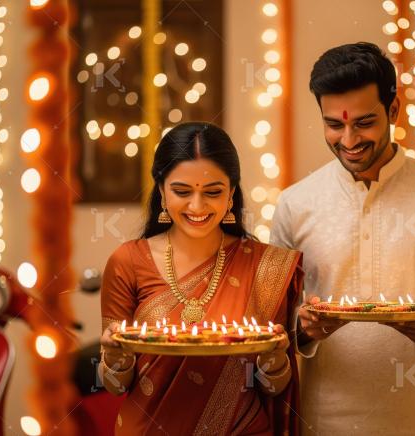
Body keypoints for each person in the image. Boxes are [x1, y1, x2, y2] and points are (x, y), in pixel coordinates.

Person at [270, 42, 415, 434]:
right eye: (334, 124)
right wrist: (302, 328)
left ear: (393, 110)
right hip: (326, 420)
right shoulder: (295, 204)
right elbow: (274, 315)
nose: (348, 140)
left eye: (363, 123)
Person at [99, 122, 302, 435]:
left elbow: (272, 388)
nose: (197, 206)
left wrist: (275, 361)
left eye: (213, 192)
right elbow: (115, 386)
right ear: (162, 192)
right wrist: (114, 360)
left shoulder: (265, 266)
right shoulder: (127, 262)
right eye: (182, 191)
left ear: (231, 194)